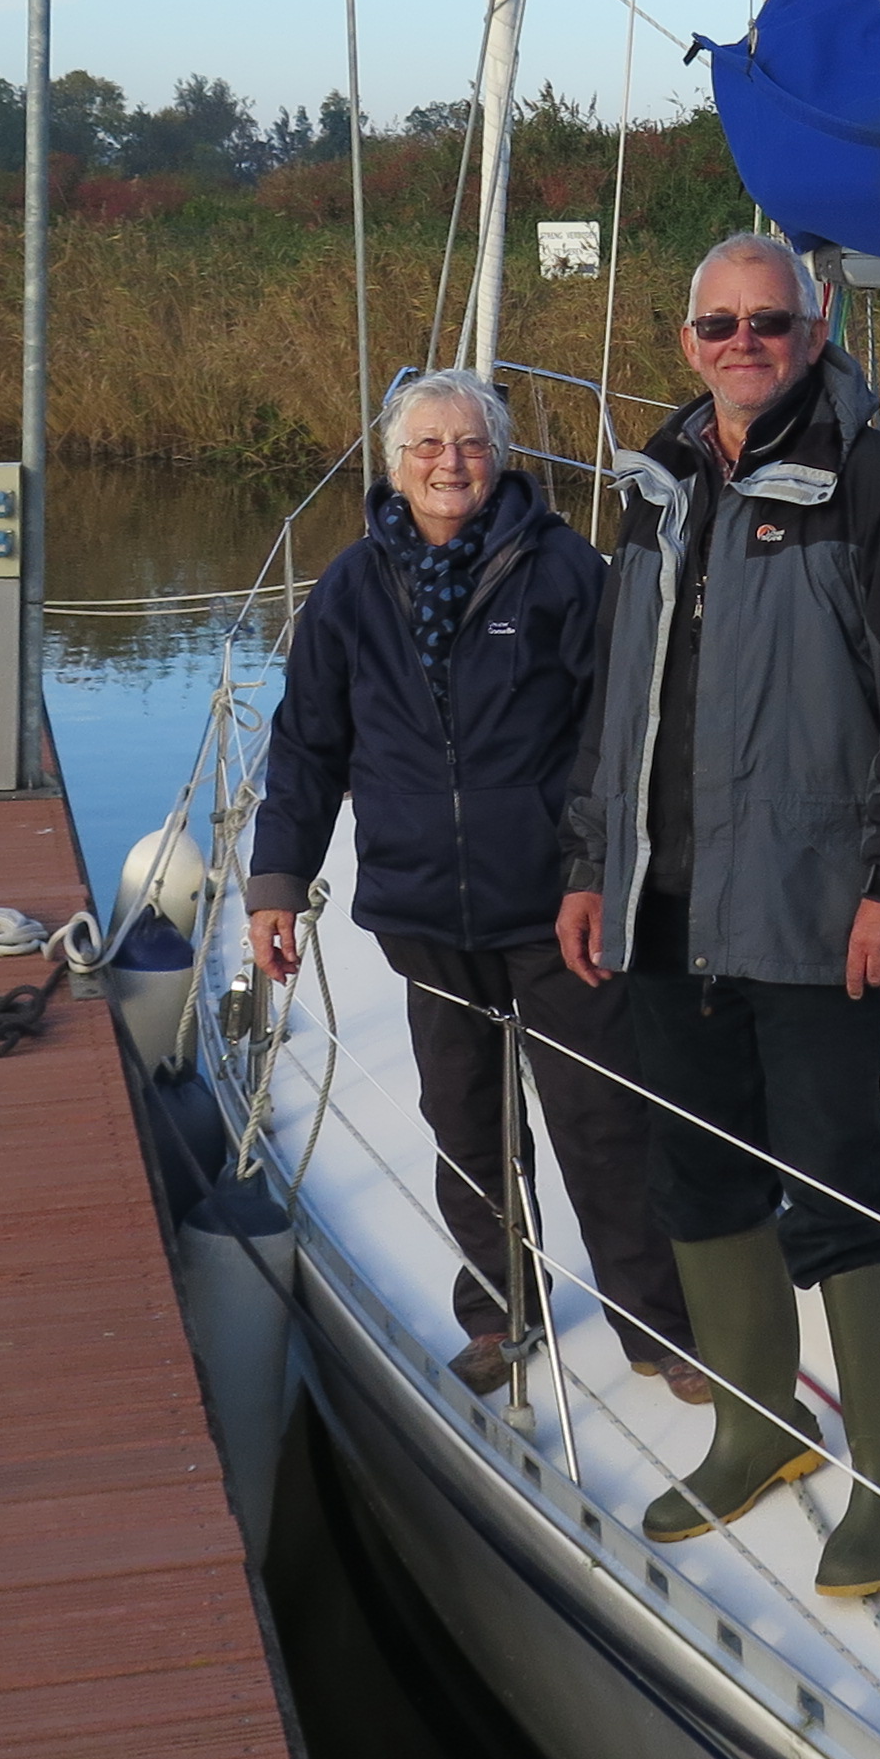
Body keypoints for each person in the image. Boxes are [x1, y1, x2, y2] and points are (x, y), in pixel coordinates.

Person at [557, 231, 880, 1601]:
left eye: (770, 324)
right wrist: (588, 863)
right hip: (663, 901)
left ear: (816, 326)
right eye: (719, 325)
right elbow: (620, 698)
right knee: (694, 1169)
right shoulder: (657, 488)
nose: (745, 345)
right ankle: (758, 1429)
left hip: (813, 905)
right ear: (687, 341)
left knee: (837, 1176)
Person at [250, 368, 697, 1403]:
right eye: (427, 447)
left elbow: (619, 739)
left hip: (556, 910)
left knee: (604, 1121)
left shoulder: (563, 576)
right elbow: (307, 748)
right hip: (422, 914)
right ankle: (502, 1313)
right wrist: (278, 879)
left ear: (499, 458)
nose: (450, 464)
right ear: (394, 465)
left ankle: (655, 1325)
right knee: (465, 1124)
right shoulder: (351, 590)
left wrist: (595, 869)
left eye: (471, 445)